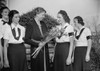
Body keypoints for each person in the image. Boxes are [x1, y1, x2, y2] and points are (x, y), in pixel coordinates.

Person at [24, 7, 50, 71]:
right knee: (37, 67)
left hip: (44, 49)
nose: (43, 16)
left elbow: (47, 35)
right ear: (37, 14)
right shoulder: (30, 24)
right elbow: (26, 39)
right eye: (42, 15)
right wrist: (38, 44)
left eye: (44, 15)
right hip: (35, 50)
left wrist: (46, 40)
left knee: (46, 66)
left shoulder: (43, 24)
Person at [0, 6, 10, 71]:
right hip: (2, 43)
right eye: (5, 12)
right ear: (1, 13)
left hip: (10, 43)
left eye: (8, 12)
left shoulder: (11, 22)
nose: (7, 13)